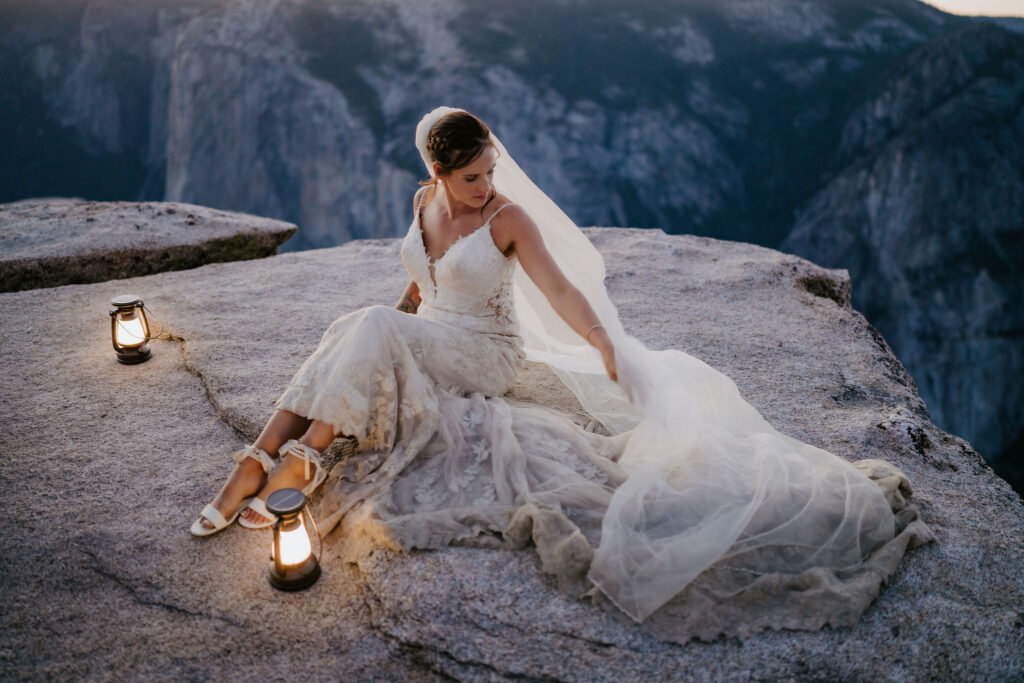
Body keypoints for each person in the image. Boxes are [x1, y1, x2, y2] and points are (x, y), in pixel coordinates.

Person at [191, 107, 933, 640]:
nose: (486, 186)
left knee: (371, 327)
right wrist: (383, 334)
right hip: (434, 333)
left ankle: (300, 458)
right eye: (472, 177)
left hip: (488, 351)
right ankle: (259, 457)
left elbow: (562, 290)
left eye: (490, 172)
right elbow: (417, 289)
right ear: (437, 172)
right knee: (352, 323)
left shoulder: (508, 219)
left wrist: (605, 343)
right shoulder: (423, 202)